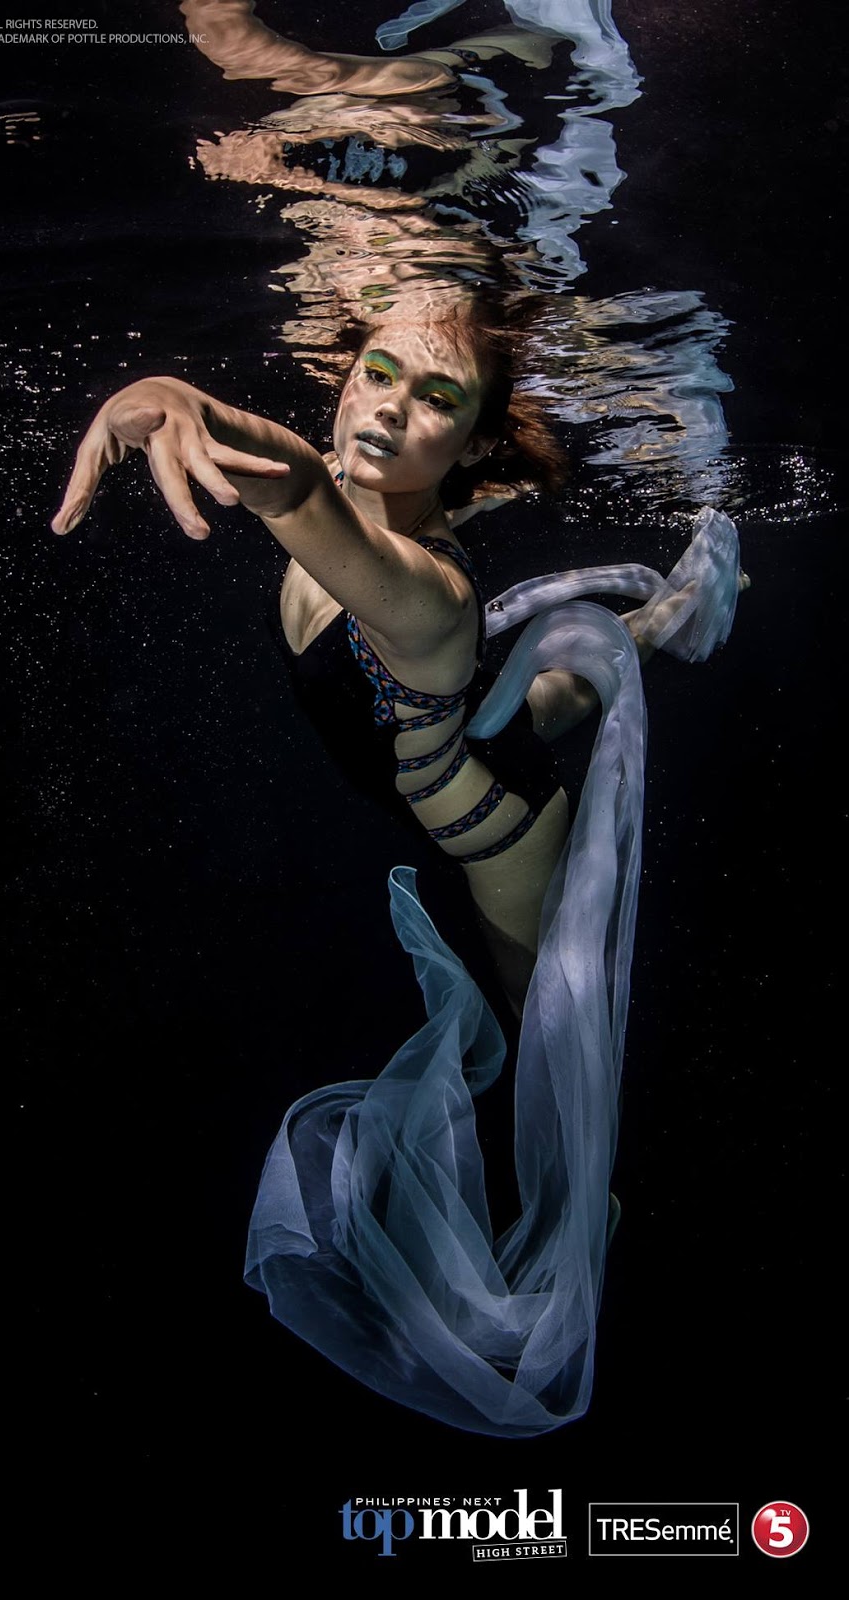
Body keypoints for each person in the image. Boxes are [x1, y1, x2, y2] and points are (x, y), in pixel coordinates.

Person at [52, 288, 745, 1436]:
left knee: (549, 1053)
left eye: (433, 398)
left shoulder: (425, 591)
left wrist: (179, 397)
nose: (382, 410)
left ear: (467, 439)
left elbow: (295, 488)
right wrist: (168, 398)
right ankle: (658, 624)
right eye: (375, 372)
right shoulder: (378, 490)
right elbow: (307, 470)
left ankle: (667, 625)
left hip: (490, 822)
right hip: (450, 723)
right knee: (522, 697)